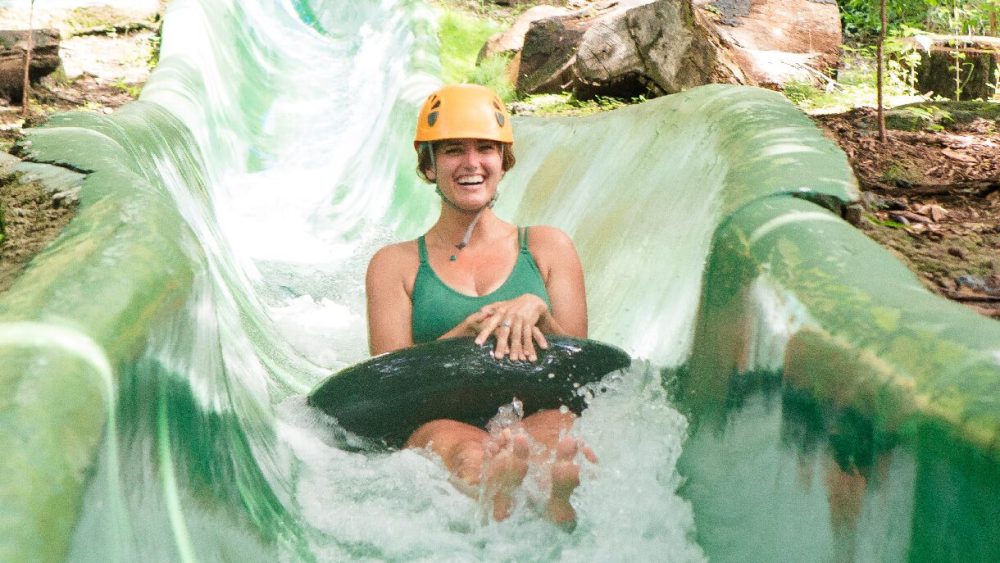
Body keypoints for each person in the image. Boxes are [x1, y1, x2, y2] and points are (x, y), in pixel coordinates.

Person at [365, 84, 594, 525]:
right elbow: (389, 387)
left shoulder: (548, 247)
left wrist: (541, 312)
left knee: (554, 435)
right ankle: (494, 495)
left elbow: (581, 372)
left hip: (537, 407)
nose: (472, 163)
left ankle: (555, 499)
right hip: (441, 418)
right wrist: (462, 335)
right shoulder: (394, 265)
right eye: (454, 150)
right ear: (428, 165)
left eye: (486, 148)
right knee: (468, 452)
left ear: (504, 161)